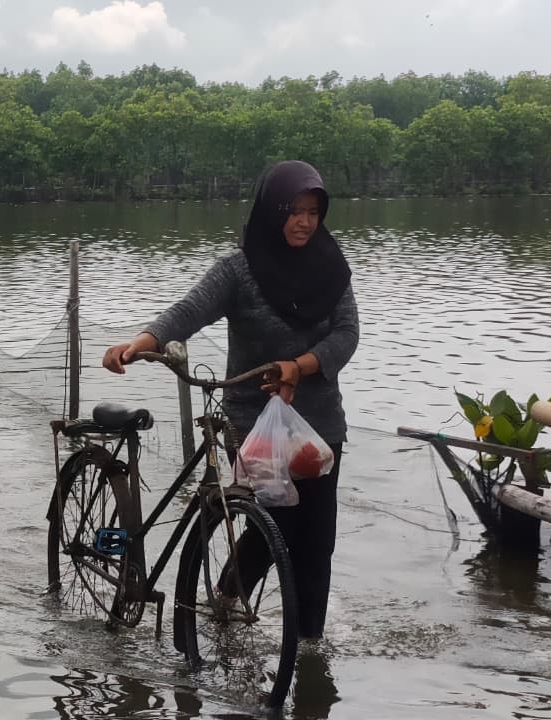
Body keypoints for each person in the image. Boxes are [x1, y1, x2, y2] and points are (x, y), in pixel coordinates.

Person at [102, 160, 359, 641]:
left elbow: (347, 333)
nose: (305, 221)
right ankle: (227, 591)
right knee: (275, 525)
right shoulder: (239, 270)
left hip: (321, 421)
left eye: (313, 211)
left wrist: (300, 366)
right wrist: (140, 342)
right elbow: (189, 311)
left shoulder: (331, 263)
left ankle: (309, 649)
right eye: (294, 210)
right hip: (254, 422)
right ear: (270, 210)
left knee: (317, 540)